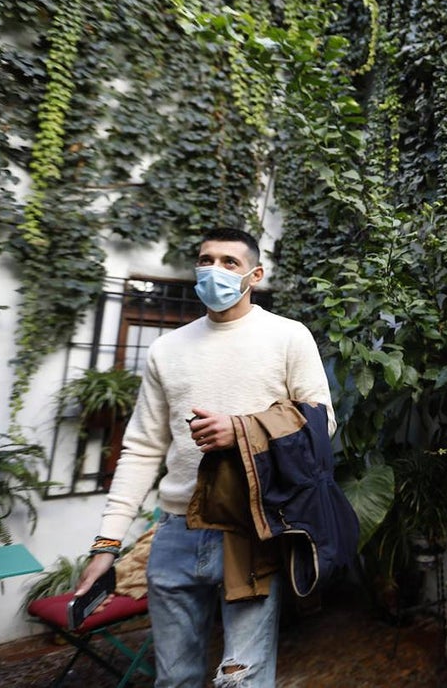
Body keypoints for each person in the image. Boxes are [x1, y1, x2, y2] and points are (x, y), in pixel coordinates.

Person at [74, 227, 335, 688]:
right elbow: (142, 448)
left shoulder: (288, 337)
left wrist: (240, 430)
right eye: (205, 260)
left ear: (254, 275)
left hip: (250, 529)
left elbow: (322, 422)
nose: (214, 270)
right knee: (175, 678)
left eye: (229, 262)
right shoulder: (166, 349)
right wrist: (107, 544)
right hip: (174, 532)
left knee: (243, 678)